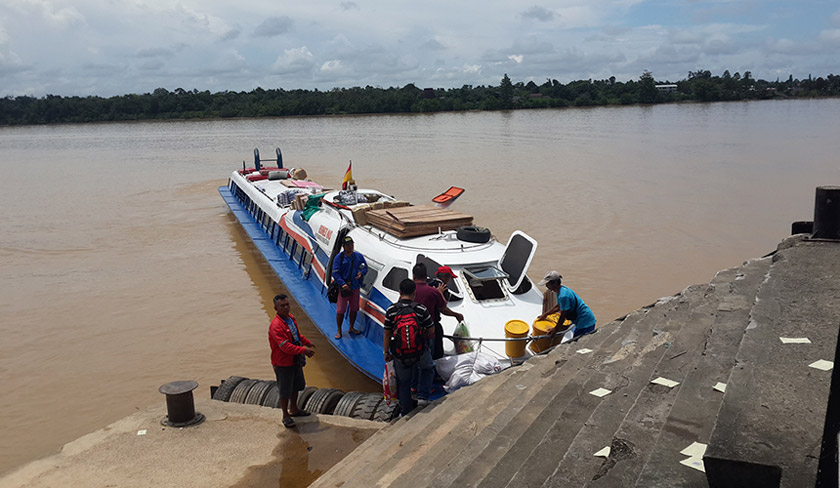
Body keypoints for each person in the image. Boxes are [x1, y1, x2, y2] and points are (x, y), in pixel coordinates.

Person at [383, 279, 435, 416]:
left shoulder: (391, 310)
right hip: (419, 351)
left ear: (400, 293)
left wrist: (386, 352)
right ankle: (423, 398)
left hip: (400, 355)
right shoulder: (421, 309)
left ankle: (406, 411)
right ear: (414, 293)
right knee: (428, 368)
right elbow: (431, 331)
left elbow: (387, 334)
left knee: (403, 383)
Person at [268, 294, 316, 429]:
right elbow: (285, 346)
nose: (286, 308)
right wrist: (303, 350)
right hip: (283, 363)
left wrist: (306, 342)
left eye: (287, 305)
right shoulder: (276, 326)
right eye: (282, 306)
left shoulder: (291, 319)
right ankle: (285, 415)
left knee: (297, 385)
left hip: (294, 360)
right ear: (275, 308)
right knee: (285, 390)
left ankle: (294, 409)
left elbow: (296, 335)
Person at [413, 263, 464, 360]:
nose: (449, 281)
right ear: (445, 277)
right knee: (436, 353)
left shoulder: (428, 283)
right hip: (432, 324)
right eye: (450, 278)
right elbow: (442, 308)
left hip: (416, 323)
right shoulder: (442, 289)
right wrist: (456, 315)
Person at [536, 271, 596, 340]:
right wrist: (545, 314)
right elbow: (558, 306)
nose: (546, 286)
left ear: (555, 283)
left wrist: (555, 330)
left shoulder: (563, 296)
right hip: (582, 319)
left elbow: (563, 316)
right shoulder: (559, 290)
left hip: (585, 321)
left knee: (579, 342)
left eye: (548, 284)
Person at [332, 235, 368, 339]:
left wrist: (361, 273)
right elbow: (335, 273)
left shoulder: (358, 256)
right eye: (348, 245)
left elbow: (365, 268)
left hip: (355, 287)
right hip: (343, 289)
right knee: (340, 310)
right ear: (344, 246)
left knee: (354, 308)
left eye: (351, 244)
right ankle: (339, 330)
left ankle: (351, 327)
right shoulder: (339, 258)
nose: (350, 247)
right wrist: (342, 283)